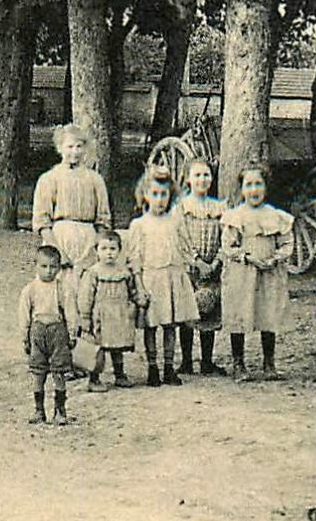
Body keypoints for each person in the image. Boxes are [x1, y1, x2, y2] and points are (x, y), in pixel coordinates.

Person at [125, 165, 199, 386]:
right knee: (151, 324)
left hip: (172, 276)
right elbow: (135, 257)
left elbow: (185, 247)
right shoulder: (139, 225)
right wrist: (139, 284)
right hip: (151, 278)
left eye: (163, 194)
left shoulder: (175, 221)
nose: (159, 199)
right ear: (145, 195)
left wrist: (190, 268)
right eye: (154, 194)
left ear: (171, 195)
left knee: (170, 324)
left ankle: (169, 366)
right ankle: (152, 367)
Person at [220, 163, 293, 381]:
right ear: (241, 189)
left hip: (269, 272)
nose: (254, 190)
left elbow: (287, 243)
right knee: (240, 313)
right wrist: (246, 257)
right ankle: (238, 363)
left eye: (258, 184)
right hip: (242, 272)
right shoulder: (235, 216)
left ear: (266, 187)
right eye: (249, 185)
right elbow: (228, 246)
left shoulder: (275, 216)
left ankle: (269, 362)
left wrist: (276, 258)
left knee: (268, 313)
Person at [31, 123, 112, 292]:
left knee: (86, 293)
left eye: (79, 146)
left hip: (88, 242)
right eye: (69, 146)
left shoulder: (95, 180)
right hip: (60, 238)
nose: (74, 152)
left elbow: (103, 220)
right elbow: (42, 221)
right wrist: (57, 251)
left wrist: (95, 248)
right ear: (60, 148)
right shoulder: (49, 178)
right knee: (57, 291)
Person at [176, 158, 226, 376]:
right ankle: (186, 361)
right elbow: (180, 238)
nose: (202, 179)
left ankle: (207, 361)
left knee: (209, 309)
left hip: (212, 266)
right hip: (190, 268)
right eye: (197, 175)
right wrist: (195, 261)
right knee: (188, 313)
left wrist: (215, 262)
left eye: (206, 175)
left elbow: (227, 237)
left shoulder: (218, 207)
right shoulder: (182, 208)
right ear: (188, 179)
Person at [19, 245, 76, 425]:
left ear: (59, 268)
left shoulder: (63, 288)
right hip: (37, 331)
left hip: (57, 331)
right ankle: (39, 410)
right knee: (38, 372)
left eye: (53, 267)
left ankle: (60, 411)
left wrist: (72, 333)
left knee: (59, 372)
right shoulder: (30, 289)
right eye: (44, 266)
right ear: (35, 266)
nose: (49, 271)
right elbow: (23, 313)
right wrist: (25, 336)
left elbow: (71, 311)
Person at [78, 230, 141, 391]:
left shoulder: (123, 272)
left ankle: (119, 375)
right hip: (101, 316)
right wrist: (85, 317)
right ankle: (94, 378)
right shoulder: (93, 272)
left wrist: (136, 303)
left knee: (117, 346)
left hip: (119, 315)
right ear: (97, 251)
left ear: (119, 250)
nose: (109, 253)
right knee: (98, 348)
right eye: (104, 249)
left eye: (113, 249)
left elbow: (132, 290)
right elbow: (86, 297)